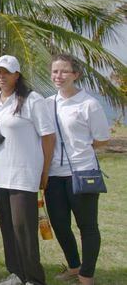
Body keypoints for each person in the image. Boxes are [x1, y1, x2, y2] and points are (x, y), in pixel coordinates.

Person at [0, 55, 55, 285]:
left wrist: (44, 172)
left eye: (6, 72)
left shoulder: (32, 99)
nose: (1, 76)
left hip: (23, 176)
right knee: (8, 228)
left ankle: (34, 279)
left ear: (17, 75)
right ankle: (16, 273)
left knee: (23, 230)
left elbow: (48, 137)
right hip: (0, 176)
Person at [44, 54, 110, 285]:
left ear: (76, 75)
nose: (58, 76)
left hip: (82, 173)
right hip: (54, 175)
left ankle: (86, 275)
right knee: (60, 225)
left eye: (64, 71)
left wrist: (80, 148)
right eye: (54, 71)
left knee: (87, 226)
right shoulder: (48, 103)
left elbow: (102, 139)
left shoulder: (88, 103)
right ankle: (74, 266)